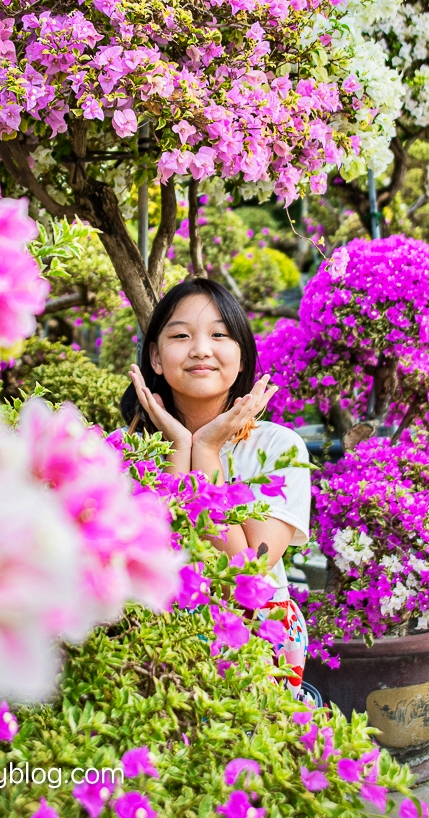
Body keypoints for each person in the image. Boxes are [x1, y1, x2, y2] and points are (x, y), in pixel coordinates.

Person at [122, 278, 311, 695]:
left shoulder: (280, 448)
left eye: (219, 334)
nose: (201, 349)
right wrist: (177, 447)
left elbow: (246, 571)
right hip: (150, 642)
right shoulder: (128, 451)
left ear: (241, 357)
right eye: (181, 335)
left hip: (256, 645)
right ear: (155, 356)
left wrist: (205, 451)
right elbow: (153, 552)